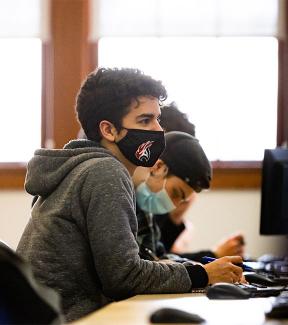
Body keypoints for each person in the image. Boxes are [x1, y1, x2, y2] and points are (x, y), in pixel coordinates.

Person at [17, 67, 243, 322]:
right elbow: (123, 277)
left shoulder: (81, 169)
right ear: (109, 130)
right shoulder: (104, 172)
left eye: (158, 119)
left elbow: (130, 265)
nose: (158, 131)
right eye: (145, 121)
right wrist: (203, 275)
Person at [135, 102, 245, 260]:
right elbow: (148, 266)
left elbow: (158, 257)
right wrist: (213, 256)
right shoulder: (125, 190)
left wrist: (175, 218)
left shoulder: (152, 208)